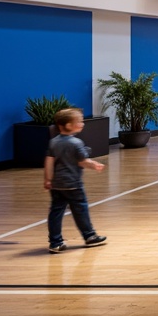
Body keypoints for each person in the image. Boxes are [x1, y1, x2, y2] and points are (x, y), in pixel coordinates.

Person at [44, 108, 107, 253]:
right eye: (79, 121)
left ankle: (55, 242)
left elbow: (49, 161)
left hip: (57, 185)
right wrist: (94, 165)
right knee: (80, 210)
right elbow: (82, 162)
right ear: (67, 125)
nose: (82, 123)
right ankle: (89, 236)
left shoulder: (53, 142)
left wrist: (48, 179)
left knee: (55, 212)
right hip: (73, 185)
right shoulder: (76, 143)